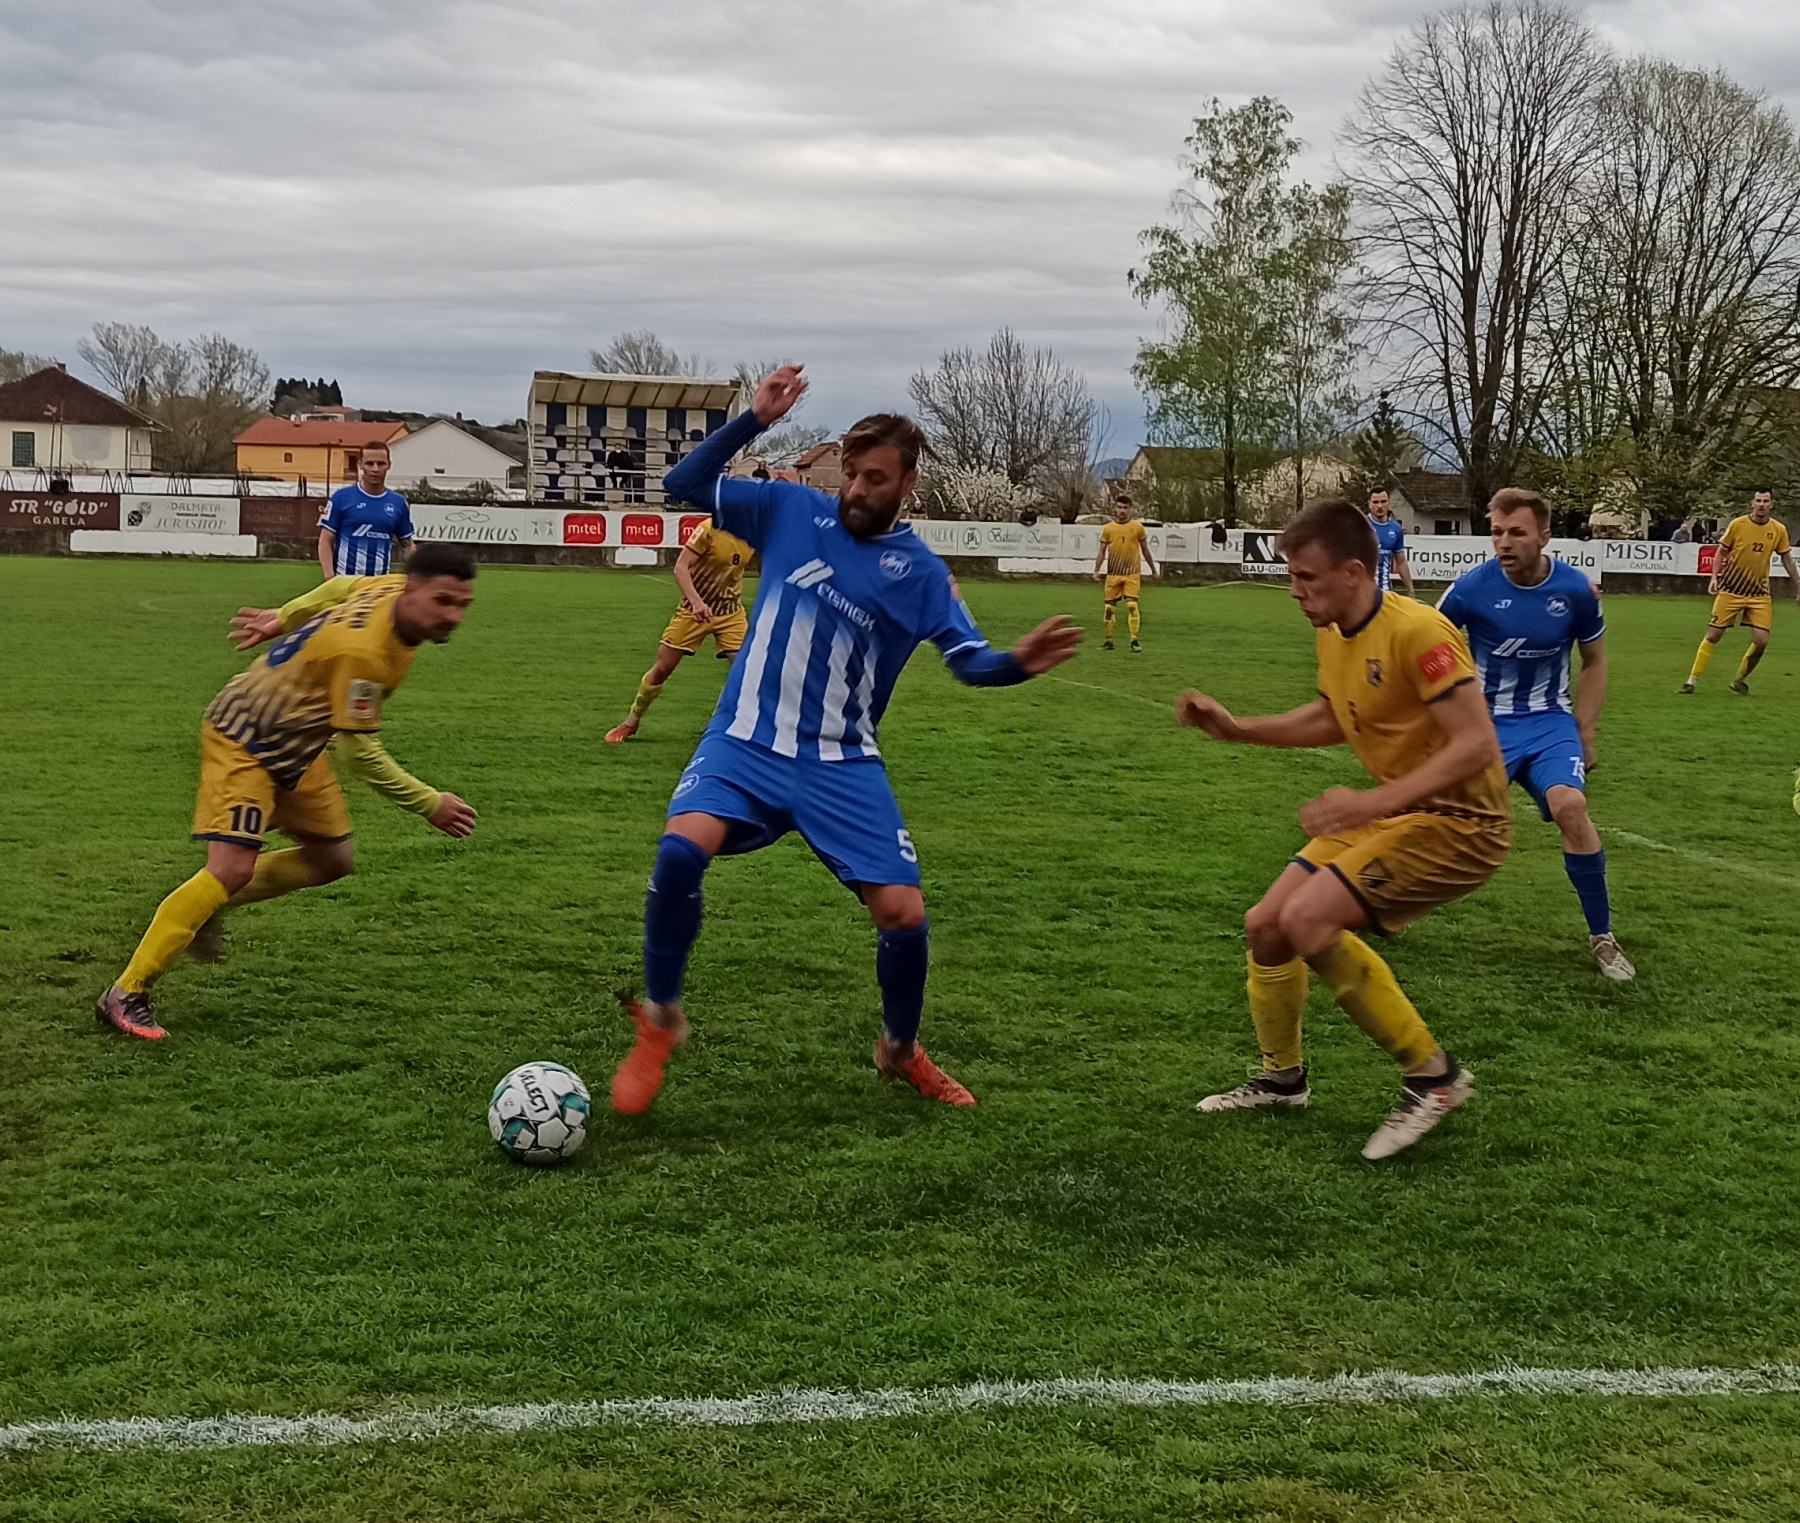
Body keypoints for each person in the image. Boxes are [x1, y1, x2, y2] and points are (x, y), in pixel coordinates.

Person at [613, 364, 1081, 1114]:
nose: (858, 489)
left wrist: (1016, 664)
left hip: (841, 760)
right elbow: (684, 482)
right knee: (679, 850)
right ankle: (663, 1017)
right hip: (745, 741)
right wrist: (753, 420)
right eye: (852, 474)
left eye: (875, 478)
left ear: (909, 484)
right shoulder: (790, 510)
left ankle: (900, 1049)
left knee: (903, 913)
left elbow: (970, 663)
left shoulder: (921, 572)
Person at [1180, 499, 1510, 1160]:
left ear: (1356, 571)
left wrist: (1372, 801)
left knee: (1307, 920)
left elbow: (1476, 744)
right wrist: (1239, 726)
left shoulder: (1421, 632)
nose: (1295, 592)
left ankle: (1433, 1076)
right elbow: (1335, 715)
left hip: (1461, 823)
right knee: (1266, 924)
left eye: (1307, 577)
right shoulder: (1334, 629)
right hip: (1394, 813)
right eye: (1292, 577)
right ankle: (1282, 1080)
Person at [95, 546, 480, 1040]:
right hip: (245, 738)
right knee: (230, 868)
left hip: (297, 743)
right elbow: (358, 754)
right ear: (412, 588)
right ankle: (125, 994)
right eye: (443, 601)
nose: (453, 616)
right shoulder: (365, 653)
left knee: (331, 861)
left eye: (463, 604)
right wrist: (430, 802)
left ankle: (205, 906)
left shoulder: (385, 587)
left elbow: (340, 587)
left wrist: (283, 616)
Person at [1438, 489, 1632, 980]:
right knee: (1431, 821)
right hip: (1486, 727)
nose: (1504, 543)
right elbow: (1425, 645)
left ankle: (1603, 937)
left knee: (1571, 806)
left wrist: (1584, 731)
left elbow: (1595, 661)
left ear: (1544, 536)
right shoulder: (1469, 589)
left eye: (1516, 532)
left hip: (1549, 722)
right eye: (1497, 532)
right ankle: (1365, 903)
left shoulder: (1574, 591)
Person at [605, 518, 755, 743]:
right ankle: (631, 721)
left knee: (746, 671)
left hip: (730, 612)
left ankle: (720, 724)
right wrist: (696, 602)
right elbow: (680, 567)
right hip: (693, 611)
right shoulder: (708, 529)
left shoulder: (755, 531)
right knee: (663, 667)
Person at [1682, 490, 1798, 694]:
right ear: (1752, 503)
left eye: (1766, 501)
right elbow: (1721, 552)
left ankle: (1740, 679)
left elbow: (1786, 558)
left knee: (1761, 640)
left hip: (1759, 593)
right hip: (1730, 589)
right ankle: (1691, 681)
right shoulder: (1738, 525)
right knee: (1713, 634)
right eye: (1759, 501)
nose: (1762, 504)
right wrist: (1714, 577)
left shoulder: (1778, 529)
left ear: (1771, 505)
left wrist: (1799, 586)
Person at [317, 441, 414, 579]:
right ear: (360, 464)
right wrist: (329, 577)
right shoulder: (342, 498)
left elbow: (407, 545)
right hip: (345, 583)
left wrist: (418, 576)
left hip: (378, 587)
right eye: (370, 463)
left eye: (380, 464)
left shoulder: (398, 503)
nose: (375, 469)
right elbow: (325, 540)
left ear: (389, 465)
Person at [1093, 496, 1158, 651]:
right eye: (1120, 507)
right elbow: (1102, 551)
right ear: (1115, 508)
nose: (1122, 511)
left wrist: (1153, 569)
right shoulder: (1108, 528)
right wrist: (1096, 570)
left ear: (1130, 509)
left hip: (1132, 573)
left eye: (1125, 508)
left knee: (1131, 605)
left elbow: (1145, 549)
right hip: (1113, 574)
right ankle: (1109, 641)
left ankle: (1134, 640)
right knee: (1109, 609)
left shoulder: (1137, 527)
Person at [1367, 488, 1414, 597]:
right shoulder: (1361, 526)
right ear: (1369, 504)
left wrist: (1410, 589)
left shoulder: (1395, 528)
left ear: (1389, 503)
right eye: (1375, 502)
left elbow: (1401, 561)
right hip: (1364, 593)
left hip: (1385, 591)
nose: (1379, 506)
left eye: (1383, 502)